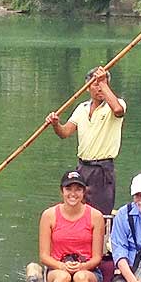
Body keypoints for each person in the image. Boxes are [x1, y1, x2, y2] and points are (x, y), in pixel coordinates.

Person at [45, 66, 125, 218]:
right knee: (77, 209)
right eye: (96, 84)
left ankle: (101, 239)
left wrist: (102, 82)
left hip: (102, 169)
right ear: (88, 87)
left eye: (104, 84)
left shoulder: (115, 104)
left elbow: (118, 110)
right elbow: (64, 133)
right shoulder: (82, 108)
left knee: (100, 214)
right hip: (82, 167)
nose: (100, 88)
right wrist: (55, 123)